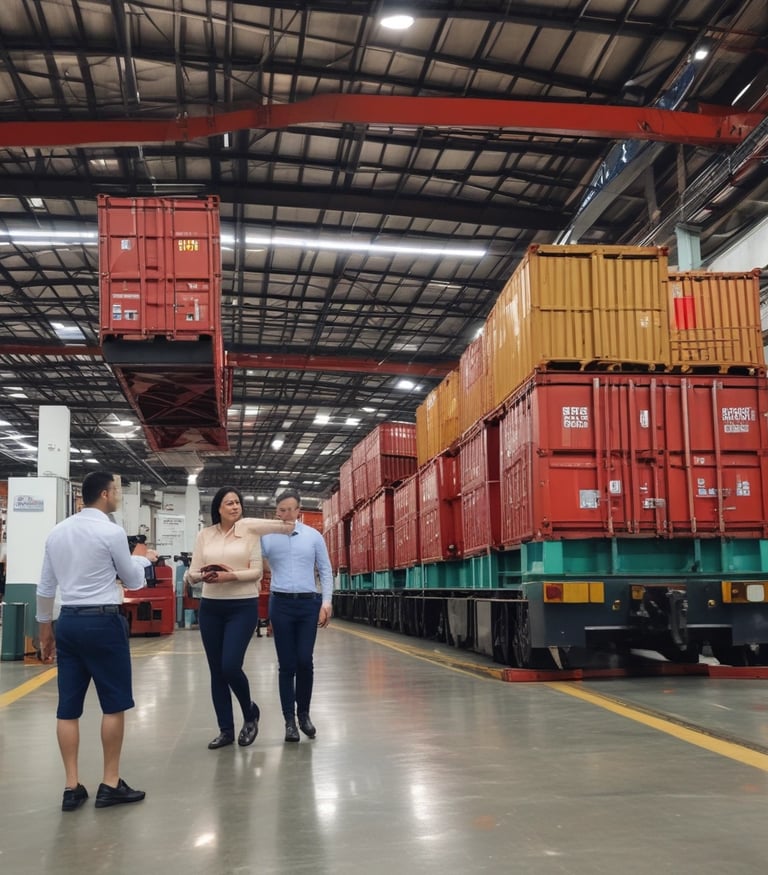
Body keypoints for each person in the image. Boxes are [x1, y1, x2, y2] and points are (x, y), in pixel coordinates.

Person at [36, 470, 157, 812]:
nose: (117, 496)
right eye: (116, 491)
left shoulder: (57, 532)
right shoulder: (111, 531)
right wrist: (142, 560)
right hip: (103, 622)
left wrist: (45, 628)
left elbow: (45, 587)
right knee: (113, 704)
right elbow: (132, 580)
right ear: (105, 494)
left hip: (69, 622)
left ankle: (71, 787)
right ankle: (110, 782)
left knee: (68, 708)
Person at [185, 486, 295, 750]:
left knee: (230, 666)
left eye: (237, 503)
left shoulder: (249, 531)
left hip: (242, 607)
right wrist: (204, 575)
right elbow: (191, 573)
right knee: (216, 672)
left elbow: (256, 572)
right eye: (228, 503)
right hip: (211, 607)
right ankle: (226, 730)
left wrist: (230, 575)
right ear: (218, 508)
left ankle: (250, 712)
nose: (234, 507)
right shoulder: (205, 535)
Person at [261, 489, 333, 743]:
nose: (286, 514)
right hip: (280, 604)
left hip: (307, 605)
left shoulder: (313, 537)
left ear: (299, 510)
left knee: (305, 661)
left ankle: (304, 715)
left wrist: (326, 602)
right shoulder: (267, 538)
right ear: (276, 511)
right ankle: (289, 721)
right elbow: (253, 562)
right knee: (287, 665)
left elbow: (325, 569)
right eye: (281, 510)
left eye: (291, 509)